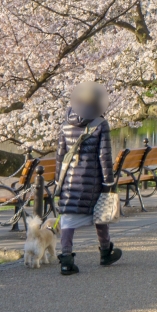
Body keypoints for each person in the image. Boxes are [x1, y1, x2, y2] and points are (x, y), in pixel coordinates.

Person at [54, 82, 120, 275]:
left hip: (69, 181)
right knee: (100, 213)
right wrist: (109, 183)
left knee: (67, 218)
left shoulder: (65, 124)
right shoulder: (100, 124)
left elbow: (60, 155)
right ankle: (105, 251)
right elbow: (104, 156)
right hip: (92, 180)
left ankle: (66, 259)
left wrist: (59, 180)